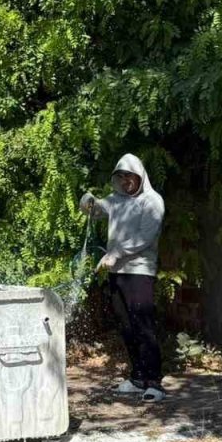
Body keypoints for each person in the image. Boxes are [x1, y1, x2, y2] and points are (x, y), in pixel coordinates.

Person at [79, 153, 167, 402]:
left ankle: (154, 382)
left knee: (143, 325)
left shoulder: (152, 201)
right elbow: (95, 210)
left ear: (140, 176)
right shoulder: (116, 200)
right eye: (121, 177)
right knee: (126, 326)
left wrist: (115, 253)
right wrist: (88, 202)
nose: (126, 181)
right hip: (117, 272)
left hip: (140, 272)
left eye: (130, 176)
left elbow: (145, 237)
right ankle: (138, 377)